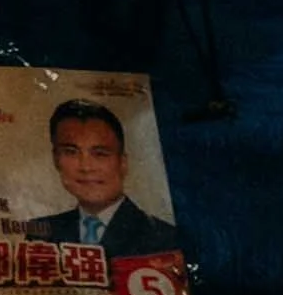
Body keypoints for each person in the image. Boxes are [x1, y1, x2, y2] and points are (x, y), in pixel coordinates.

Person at [21, 98, 183, 257]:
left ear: (122, 163)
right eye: (71, 152)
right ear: (56, 160)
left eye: (100, 154)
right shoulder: (41, 232)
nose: (86, 167)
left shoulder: (163, 237)